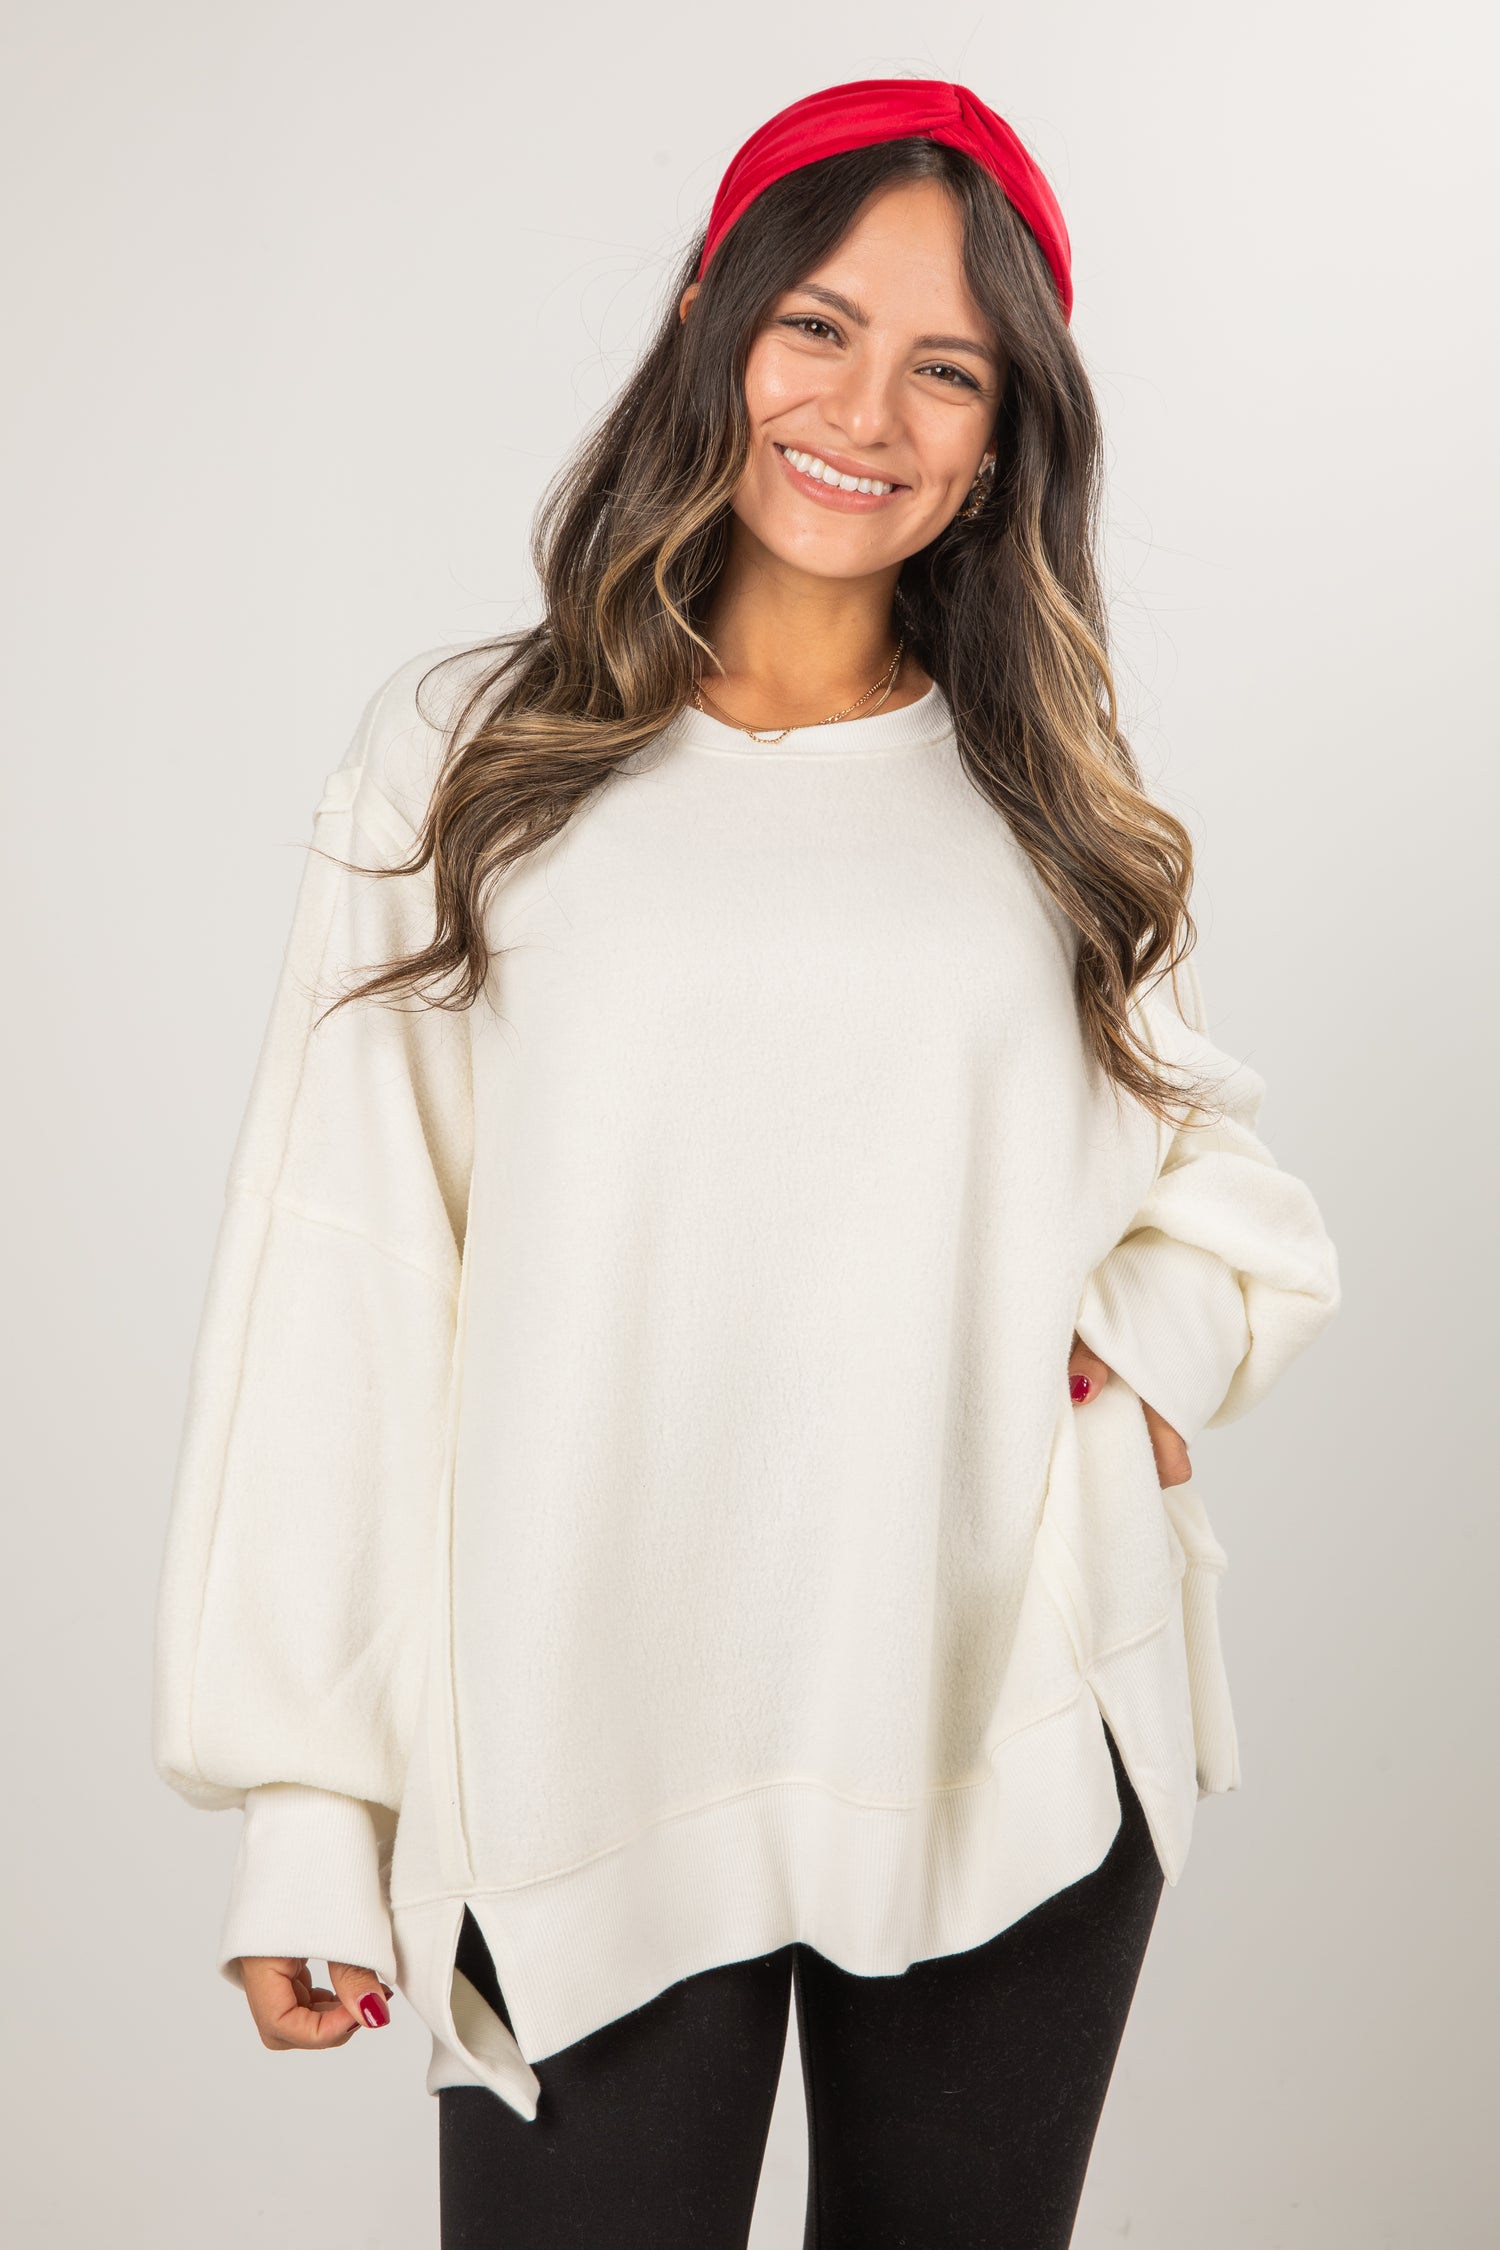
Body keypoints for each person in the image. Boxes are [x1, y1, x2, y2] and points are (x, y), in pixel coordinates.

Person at [150, 77, 1340, 2248]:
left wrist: (1129, 1355)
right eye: (819, 326)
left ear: (1003, 440)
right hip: (583, 1761)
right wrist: (312, 1817)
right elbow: (338, 1289)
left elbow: (1236, 1208)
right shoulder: (462, 765)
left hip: (1011, 1734)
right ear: (711, 316)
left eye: (948, 368)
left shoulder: (1041, 791)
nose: (866, 411)